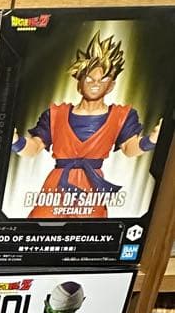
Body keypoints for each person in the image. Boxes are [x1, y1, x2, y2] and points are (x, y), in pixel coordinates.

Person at [12, 31, 159, 219]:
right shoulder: (56, 114)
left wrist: (152, 139)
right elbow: (33, 148)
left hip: (92, 186)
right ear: (79, 83)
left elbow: (130, 149)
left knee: (90, 232)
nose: (96, 83)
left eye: (103, 79)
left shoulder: (121, 116)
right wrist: (14, 140)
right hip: (56, 187)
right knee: (41, 229)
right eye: (89, 78)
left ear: (111, 85)